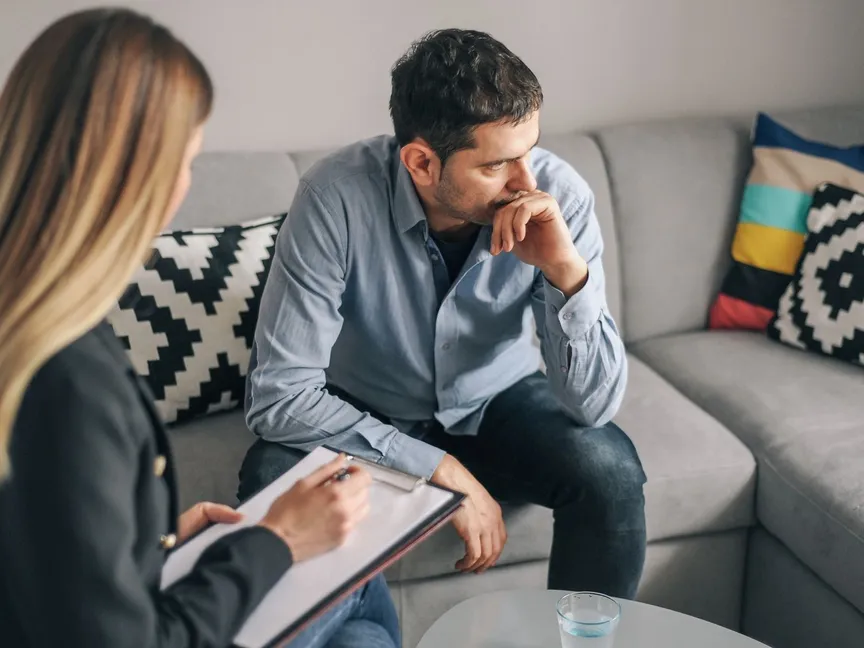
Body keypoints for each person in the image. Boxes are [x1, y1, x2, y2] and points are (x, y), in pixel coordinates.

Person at [0, 9, 400, 648]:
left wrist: (149, 549)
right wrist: (277, 541)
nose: (186, 186)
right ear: (134, 174)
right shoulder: (69, 377)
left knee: (363, 636)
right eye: (188, 159)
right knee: (357, 593)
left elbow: (52, 569)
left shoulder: (30, 322)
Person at [240, 28, 647, 598]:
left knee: (611, 470)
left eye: (529, 153)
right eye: (498, 165)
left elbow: (595, 404)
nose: (525, 183)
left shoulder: (559, 197)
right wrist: (436, 468)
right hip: (369, 407)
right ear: (422, 162)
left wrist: (565, 273)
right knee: (270, 477)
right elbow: (279, 397)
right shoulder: (336, 198)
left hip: (495, 400)